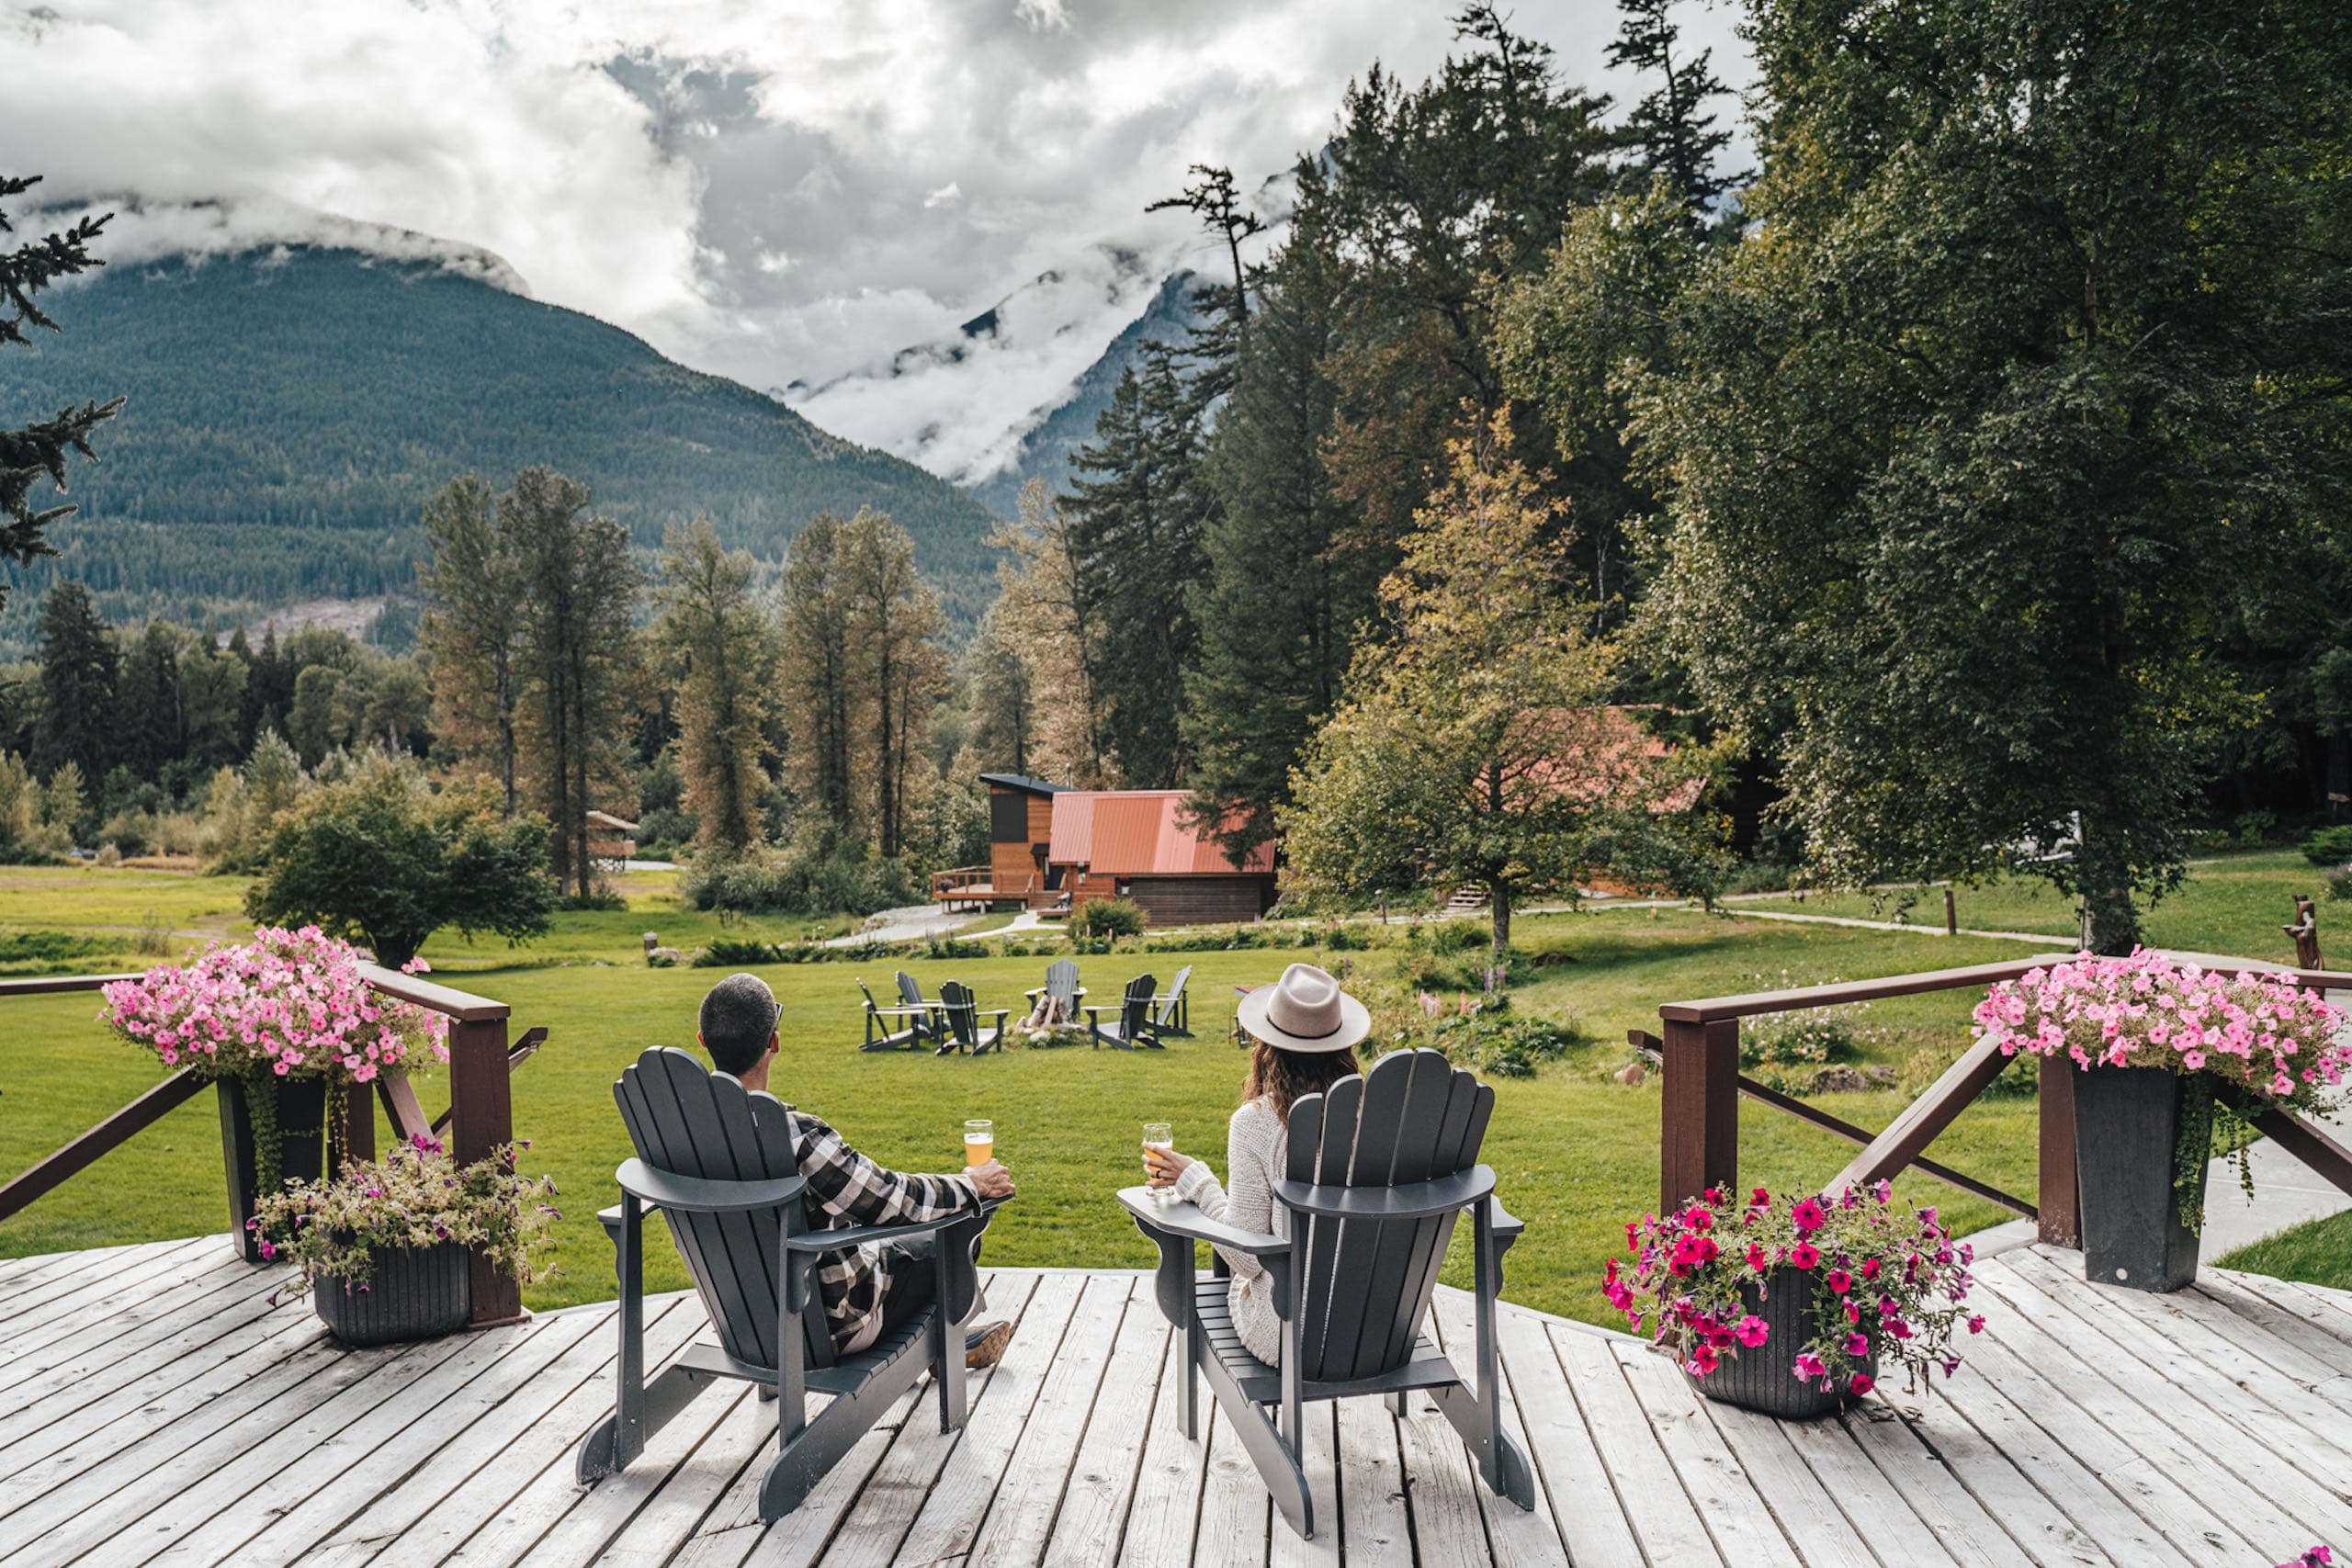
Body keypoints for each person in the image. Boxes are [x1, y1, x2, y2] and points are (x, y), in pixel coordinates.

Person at [695, 973, 1016, 1368]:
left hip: (744, 1322)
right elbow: (888, 1199)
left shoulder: (686, 1134)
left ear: (703, 1041)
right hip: (828, 1325)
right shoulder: (796, 1137)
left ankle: (951, 1342)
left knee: (896, 1248)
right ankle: (945, 1347)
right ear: (774, 1041)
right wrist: (971, 1186)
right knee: (953, 1237)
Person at [1142, 962, 1369, 1365]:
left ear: (1267, 1046)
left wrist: (1198, 1182)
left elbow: (1248, 1259)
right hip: (1378, 1329)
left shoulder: (1257, 1123)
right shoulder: (1379, 1120)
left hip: (1289, 1335)